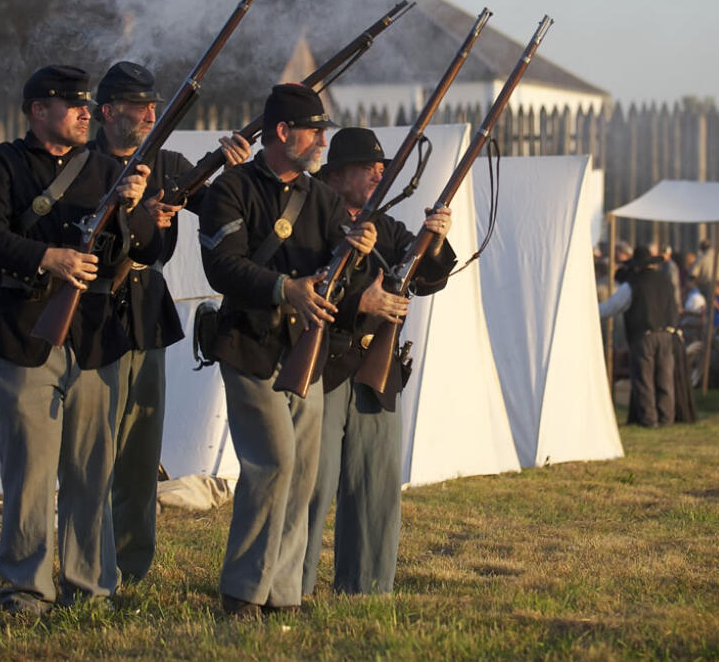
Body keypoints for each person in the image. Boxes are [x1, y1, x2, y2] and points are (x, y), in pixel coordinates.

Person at [0, 64, 154, 616]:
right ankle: (27, 588)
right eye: (71, 104)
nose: (85, 113)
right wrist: (46, 256)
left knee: (93, 470)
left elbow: (144, 250)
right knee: (29, 475)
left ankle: (90, 587)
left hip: (92, 336)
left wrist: (134, 208)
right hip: (23, 329)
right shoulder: (1, 164)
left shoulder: (106, 169)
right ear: (37, 111)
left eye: (86, 105)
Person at [198, 83, 376, 619]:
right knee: (272, 463)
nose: (323, 142)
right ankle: (241, 591)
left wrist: (359, 257)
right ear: (283, 133)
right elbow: (222, 265)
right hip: (250, 343)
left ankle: (283, 593)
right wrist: (285, 289)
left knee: (302, 474)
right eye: (314, 132)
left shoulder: (322, 198)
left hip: (304, 350)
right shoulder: (231, 189)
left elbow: (344, 283)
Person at [89, 61, 251, 584]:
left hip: (142, 315)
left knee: (139, 452)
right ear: (109, 111)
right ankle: (87, 561)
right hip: (88, 316)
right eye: (140, 108)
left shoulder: (169, 164)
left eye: (155, 107)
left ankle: (131, 565)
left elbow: (228, 209)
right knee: (90, 452)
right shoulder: (81, 165)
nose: (151, 115)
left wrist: (235, 169)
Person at [301, 128, 455, 597]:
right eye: (367, 167)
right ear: (336, 175)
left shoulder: (386, 228)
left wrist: (435, 240)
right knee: (312, 484)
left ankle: (365, 588)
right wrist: (361, 303)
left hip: (375, 367)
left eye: (380, 168)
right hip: (320, 365)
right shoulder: (314, 221)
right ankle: (293, 584)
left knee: (375, 485)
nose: (378, 174)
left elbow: (427, 279)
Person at [599, 245, 681, 426]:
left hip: (644, 335)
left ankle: (649, 419)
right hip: (666, 334)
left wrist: (592, 310)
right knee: (665, 378)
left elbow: (612, 306)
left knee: (644, 379)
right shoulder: (666, 281)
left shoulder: (633, 283)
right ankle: (667, 417)